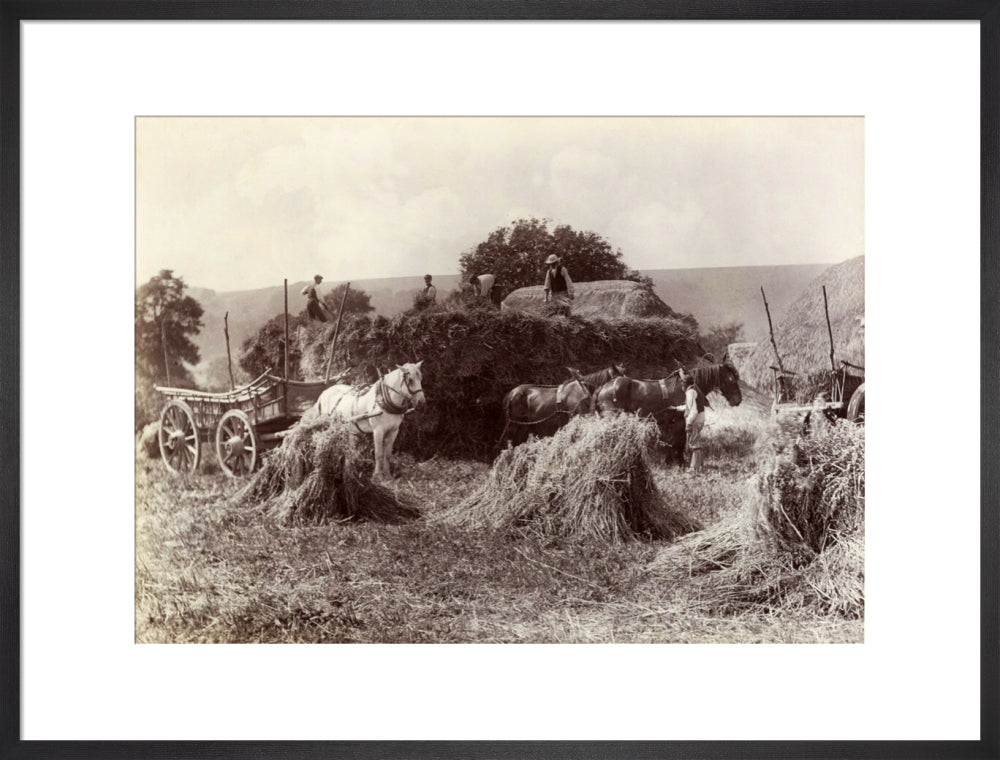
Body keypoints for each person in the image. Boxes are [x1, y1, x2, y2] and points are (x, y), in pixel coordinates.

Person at [674, 375, 707, 473]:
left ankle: (694, 468)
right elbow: (688, 406)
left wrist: (688, 423)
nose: (681, 386)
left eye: (682, 383)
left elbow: (693, 410)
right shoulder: (693, 391)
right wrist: (676, 408)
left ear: (685, 383)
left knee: (693, 443)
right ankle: (699, 466)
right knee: (695, 442)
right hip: (699, 418)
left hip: (695, 420)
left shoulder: (690, 392)